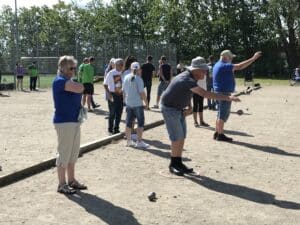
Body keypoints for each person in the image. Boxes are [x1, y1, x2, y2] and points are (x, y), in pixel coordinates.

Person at [161, 57, 240, 176]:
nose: (205, 72)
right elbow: (205, 94)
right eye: (203, 70)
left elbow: (183, 93)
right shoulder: (186, 79)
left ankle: (178, 162)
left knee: (181, 136)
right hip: (170, 109)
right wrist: (227, 97)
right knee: (177, 137)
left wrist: (189, 107)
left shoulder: (191, 77)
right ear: (196, 70)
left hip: (178, 108)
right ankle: (173, 165)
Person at [52, 55, 87, 194]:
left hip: (74, 121)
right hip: (64, 122)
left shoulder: (69, 81)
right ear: (62, 68)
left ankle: (71, 180)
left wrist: (79, 86)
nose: (73, 70)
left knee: (73, 153)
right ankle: (61, 184)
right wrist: (80, 86)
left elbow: (78, 88)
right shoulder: (59, 81)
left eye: (74, 67)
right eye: (70, 67)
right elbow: (79, 88)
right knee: (64, 153)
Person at [213, 50, 262, 142]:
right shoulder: (224, 65)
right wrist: (253, 58)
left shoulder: (217, 64)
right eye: (230, 57)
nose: (231, 59)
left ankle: (217, 132)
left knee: (220, 113)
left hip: (219, 92)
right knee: (223, 115)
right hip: (223, 93)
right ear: (225, 57)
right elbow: (239, 66)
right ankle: (220, 134)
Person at [123, 62, 149, 148]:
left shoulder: (126, 77)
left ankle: (129, 141)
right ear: (139, 69)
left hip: (129, 103)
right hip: (137, 104)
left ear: (131, 69)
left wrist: (125, 101)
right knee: (140, 123)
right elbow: (142, 93)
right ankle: (139, 141)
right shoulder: (139, 79)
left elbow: (124, 91)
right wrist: (147, 103)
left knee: (128, 122)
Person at [104, 58, 124, 134]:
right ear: (116, 65)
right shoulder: (111, 73)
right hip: (112, 94)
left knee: (119, 112)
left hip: (120, 95)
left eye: (122, 64)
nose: (122, 66)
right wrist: (109, 94)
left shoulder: (123, 73)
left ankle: (116, 129)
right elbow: (105, 84)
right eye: (121, 64)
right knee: (112, 113)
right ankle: (110, 129)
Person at [193, 58, 209, 127]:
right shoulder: (195, 72)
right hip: (196, 91)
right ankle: (195, 122)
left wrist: (205, 90)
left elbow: (206, 81)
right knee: (195, 106)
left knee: (201, 106)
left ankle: (201, 121)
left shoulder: (205, 71)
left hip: (202, 91)